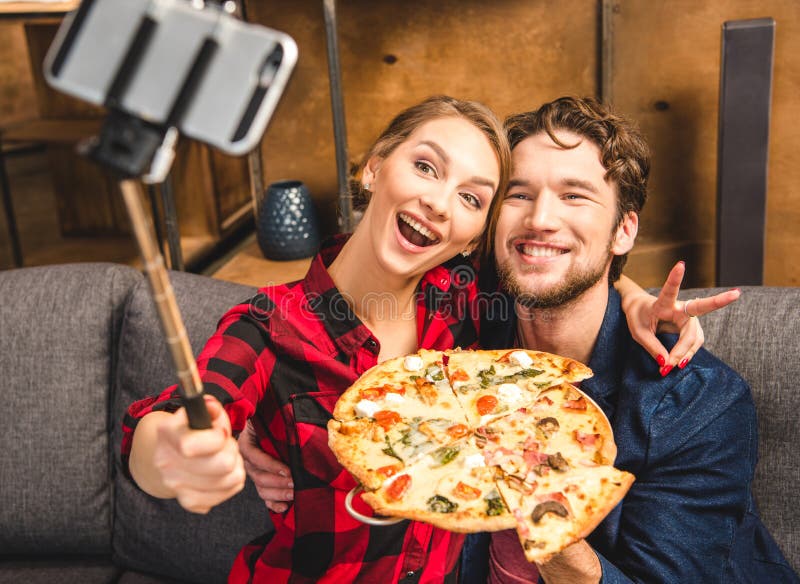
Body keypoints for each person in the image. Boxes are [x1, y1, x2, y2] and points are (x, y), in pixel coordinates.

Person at [122, 95, 734, 584]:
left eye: (472, 197)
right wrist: (179, 451)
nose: (440, 202)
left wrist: (626, 293)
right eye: (425, 166)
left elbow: (564, 271)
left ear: (475, 234)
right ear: (373, 166)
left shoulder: (466, 305)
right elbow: (178, 420)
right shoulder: (269, 324)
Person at [460, 96, 797, 583]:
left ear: (623, 231)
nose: (539, 219)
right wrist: (630, 288)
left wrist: (539, 511)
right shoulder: (457, 341)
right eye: (519, 194)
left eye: (574, 195)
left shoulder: (698, 404)